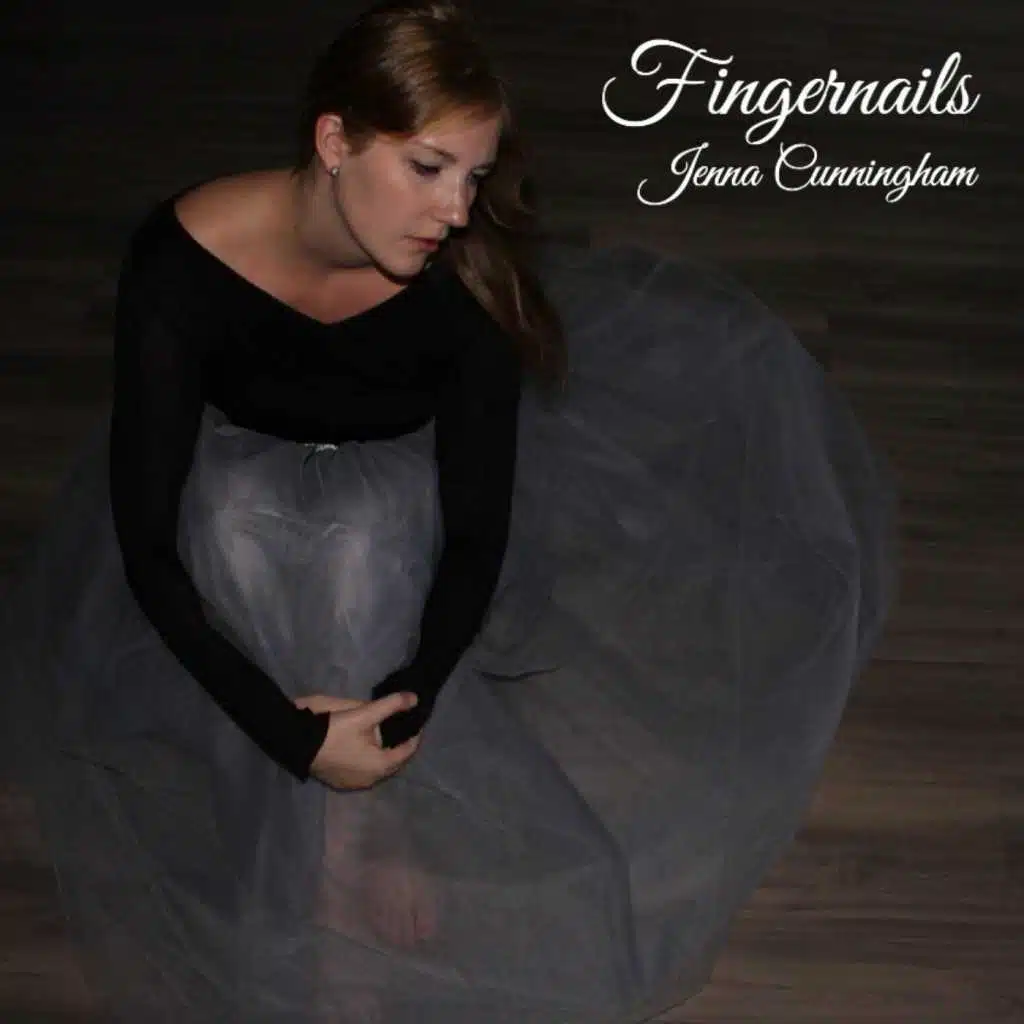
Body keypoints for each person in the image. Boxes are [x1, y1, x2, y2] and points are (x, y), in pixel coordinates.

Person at [0, 1, 896, 1022]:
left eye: (473, 177)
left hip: (398, 504)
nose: (457, 211)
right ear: (334, 140)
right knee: (234, 522)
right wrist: (290, 736)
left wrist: (407, 706)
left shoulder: (463, 290)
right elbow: (148, 545)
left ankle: (358, 832)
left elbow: (474, 537)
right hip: (235, 489)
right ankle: (315, 798)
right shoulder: (183, 260)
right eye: (428, 168)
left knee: (360, 542)